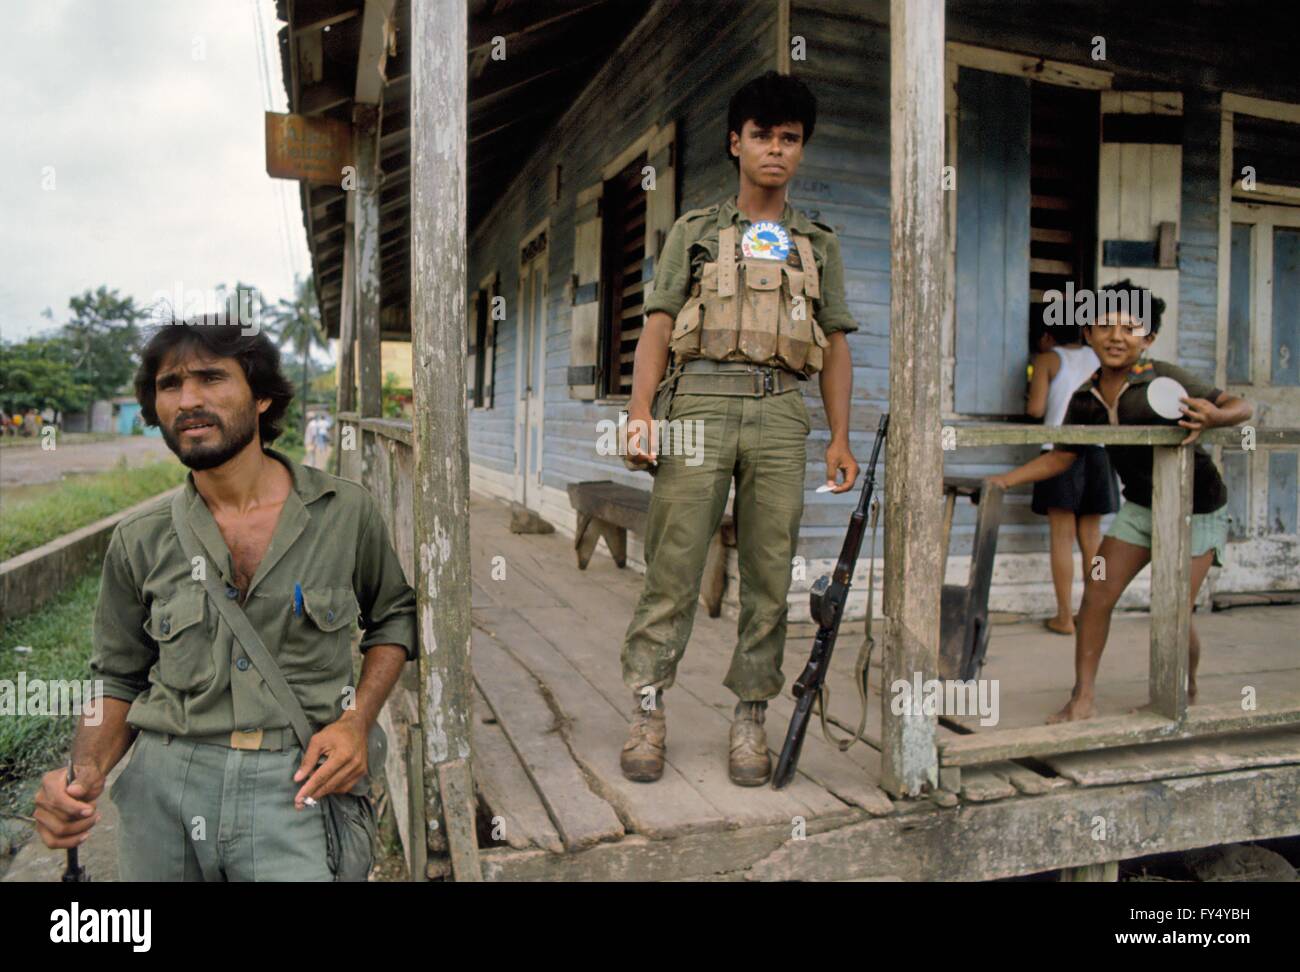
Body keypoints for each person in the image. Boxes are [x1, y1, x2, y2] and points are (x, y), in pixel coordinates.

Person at [32, 315, 418, 880]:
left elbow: (393, 618)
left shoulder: (344, 512)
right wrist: (84, 771)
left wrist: (356, 720)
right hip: (164, 790)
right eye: (169, 385)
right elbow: (117, 678)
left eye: (211, 378)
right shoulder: (139, 540)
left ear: (261, 396)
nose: (188, 399)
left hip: (296, 783)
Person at [619, 71, 860, 786]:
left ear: (801, 150)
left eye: (790, 139)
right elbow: (657, 328)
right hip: (697, 404)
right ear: (736, 142)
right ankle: (646, 706)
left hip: (783, 412)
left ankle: (751, 713)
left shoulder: (818, 243)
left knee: (768, 570)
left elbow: (836, 343)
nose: (776, 151)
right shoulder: (695, 233)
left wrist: (838, 436)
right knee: (674, 561)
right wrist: (639, 414)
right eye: (763, 136)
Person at [989, 281, 1252, 723]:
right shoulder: (1086, 397)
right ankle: (1082, 697)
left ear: (1148, 338)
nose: (1116, 336)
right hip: (1140, 511)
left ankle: (1180, 691)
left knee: (1173, 608)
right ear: (1088, 332)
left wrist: (1217, 416)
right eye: (1105, 325)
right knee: (1096, 589)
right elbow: (1062, 456)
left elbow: (1239, 406)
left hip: (1198, 511)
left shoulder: (1165, 378)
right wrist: (1004, 480)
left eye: (1130, 327)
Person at [1026, 320, 1118, 635]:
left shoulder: (1048, 359)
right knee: (1093, 540)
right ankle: (1094, 614)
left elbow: (1036, 409)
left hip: (1059, 451)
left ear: (1047, 334)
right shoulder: (1100, 357)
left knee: (1062, 539)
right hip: (1099, 451)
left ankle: (1064, 617)